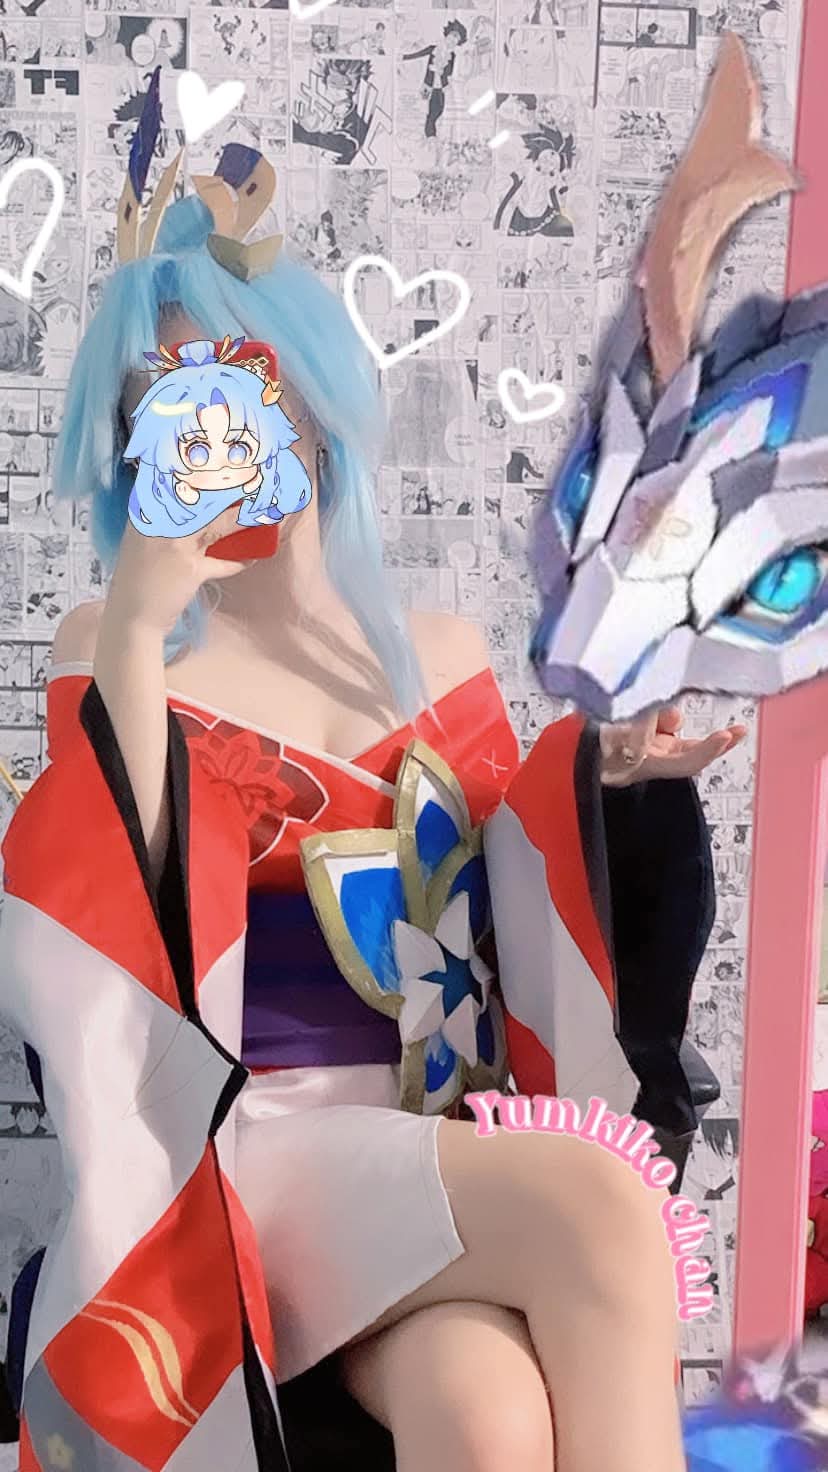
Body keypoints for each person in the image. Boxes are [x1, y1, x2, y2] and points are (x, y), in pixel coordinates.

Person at [0, 77, 744, 1472]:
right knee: (597, 1204)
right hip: (238, 1166)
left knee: (487, 1412)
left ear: (309, 402)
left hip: (422, 1158)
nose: (212, 438)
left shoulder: (441, 654)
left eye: (236, 389)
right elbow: (120, 935)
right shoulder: (114, 640)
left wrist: (612, 776)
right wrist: (143, 633)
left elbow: (520, 907)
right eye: (165, 405)